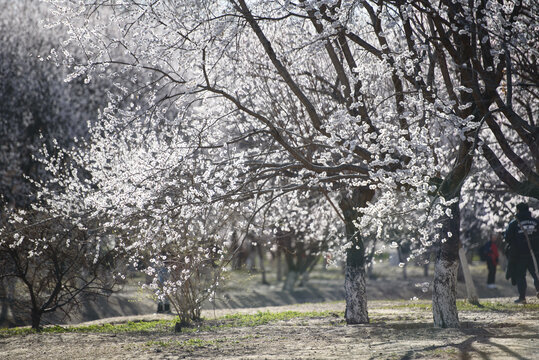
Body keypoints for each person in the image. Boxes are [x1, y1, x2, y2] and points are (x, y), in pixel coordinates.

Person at [504, 202, 539, 304]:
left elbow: (508, 238)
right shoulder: (536, 222)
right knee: (536, 274)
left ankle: (522, 297)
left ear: (518, 210)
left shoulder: (514, 223)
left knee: (520, 276)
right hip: (535, 254)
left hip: (519, 255)